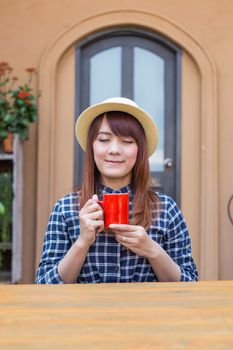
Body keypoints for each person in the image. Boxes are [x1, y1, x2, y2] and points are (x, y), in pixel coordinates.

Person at [36, 97, 198, 284]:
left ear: (140, 151)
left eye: (127, 141)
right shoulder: (65, 209)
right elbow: (45, 286)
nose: (114, 150)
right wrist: (82, 242)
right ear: (92, 147)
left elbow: (189, 283)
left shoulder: (166, 209)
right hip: (84, 314)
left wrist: (152, 250)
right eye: (104, 139)